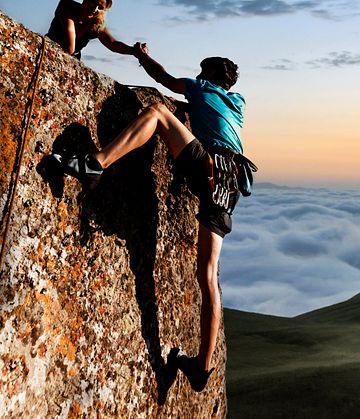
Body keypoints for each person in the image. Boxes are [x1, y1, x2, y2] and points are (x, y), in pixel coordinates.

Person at [51, 42, 249, 392]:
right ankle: (202, 367)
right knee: (207, 275)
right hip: (230, 182)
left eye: (202, 71)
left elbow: (167, 81)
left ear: (208, 75)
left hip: (208, 166)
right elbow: (208, 113)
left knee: (158, 112)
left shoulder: (202, 87)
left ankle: (96, 164)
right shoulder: (237, 105)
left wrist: (141, 56)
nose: (198, 75)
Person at [46, 0, 137, 59]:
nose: (95, 9)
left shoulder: (96, 24)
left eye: (100, 8)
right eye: (93, 2)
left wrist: (134, 51)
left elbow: (112, 43)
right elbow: (69, 30)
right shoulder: (67, 6)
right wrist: (69, 57)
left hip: (73, 58)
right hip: (50, 49)